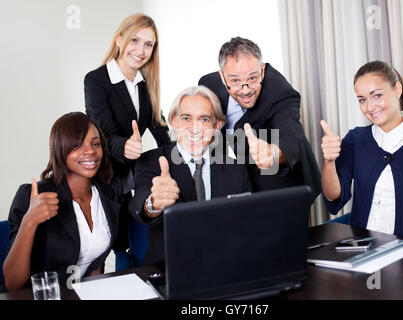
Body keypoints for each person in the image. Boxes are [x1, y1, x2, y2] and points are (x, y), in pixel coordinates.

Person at [321, 60, 403, 242]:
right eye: (362, 100)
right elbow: (333, 196)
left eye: (377, 96)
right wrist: (329, 162)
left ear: (397, 90)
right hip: (359, 251)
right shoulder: (356, 139)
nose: (370, 107)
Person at [128, 86, 251, 264]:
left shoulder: (235, 169)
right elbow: (138, 204)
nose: (195, 129)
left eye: (204, 119)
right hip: (170, 267)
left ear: (217, 126)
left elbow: (246, 224)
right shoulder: (152, 161)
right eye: (186, 118)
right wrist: (154, 202)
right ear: (174, 122)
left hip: (226, 264)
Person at [3, 112, 124, 291]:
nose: (90, 151)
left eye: (95, 144)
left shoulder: (109, 191)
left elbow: (96, 263)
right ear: (60, 149)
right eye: (77, 145)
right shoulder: (31, 196)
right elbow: (13, 283)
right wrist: (29, 222)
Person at [199, 37, 321, 197]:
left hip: (281, 182)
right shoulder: (208, 86)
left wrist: (272, 153)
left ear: (262, 71)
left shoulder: (280, 92)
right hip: (237, 177)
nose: (245, 90)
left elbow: (291, 136)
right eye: (235, 81)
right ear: (222, 77)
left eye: (252, 78)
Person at [84, 13, 170, 194]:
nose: (141, 51)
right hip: (103, 180)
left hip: (131, 179)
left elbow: (162, 131)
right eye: (135, 41)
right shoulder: (96, 80)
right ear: (119, 40)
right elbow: (104, 134)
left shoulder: (146, 84)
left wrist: (183, 152)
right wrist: (125, 146)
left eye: (148, 45)